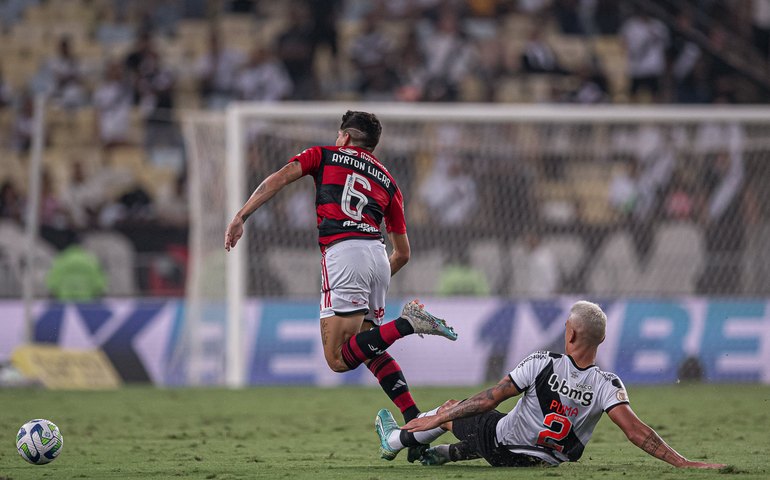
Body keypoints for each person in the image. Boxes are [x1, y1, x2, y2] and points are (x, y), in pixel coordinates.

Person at [224, 111, 458, 443]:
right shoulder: (388, 181)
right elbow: (403, 253)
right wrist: (370, 279)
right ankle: (412, 419)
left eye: (338, 135)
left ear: (345, 137)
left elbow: (277, 179)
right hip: (378, 258)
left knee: (337, 358)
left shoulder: (322, 155)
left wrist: (241, 215)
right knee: (369, 347)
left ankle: (408, 323)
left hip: (344, 252)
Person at [374, 301, 725, 470]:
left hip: (504, 448)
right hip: (543, 462)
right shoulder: (608, 384)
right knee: (496, 424)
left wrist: (440, 418)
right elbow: (636, 432)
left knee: (456, 408)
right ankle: (442, 454)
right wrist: (683, 463)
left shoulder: (542, 362)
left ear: (570, 333)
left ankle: (394, 441)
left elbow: (487, 399)